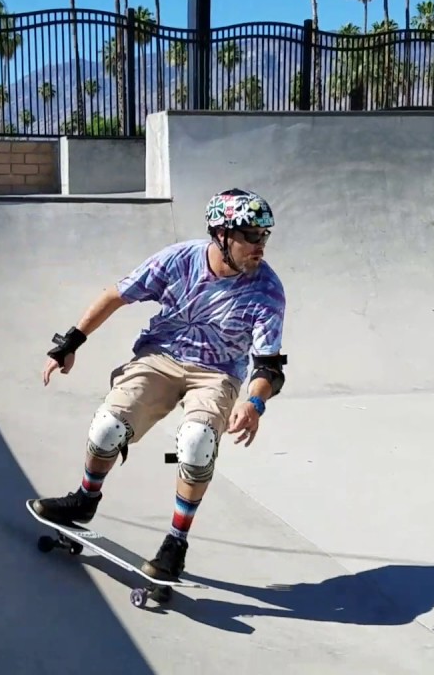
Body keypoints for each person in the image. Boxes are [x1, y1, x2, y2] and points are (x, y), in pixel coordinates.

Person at [29, 188, 288, 580]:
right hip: (159, 357)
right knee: (106, 428)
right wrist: (70, 342)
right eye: (251, 235)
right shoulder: (178, 260)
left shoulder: (267, 289)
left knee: (197, 442)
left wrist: (254, 403)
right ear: (222, 234)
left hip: (217, 373)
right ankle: (85, 499)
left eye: (265, 236)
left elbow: (271, 366)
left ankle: (175, 543)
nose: (261, 246)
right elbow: (117, 295)